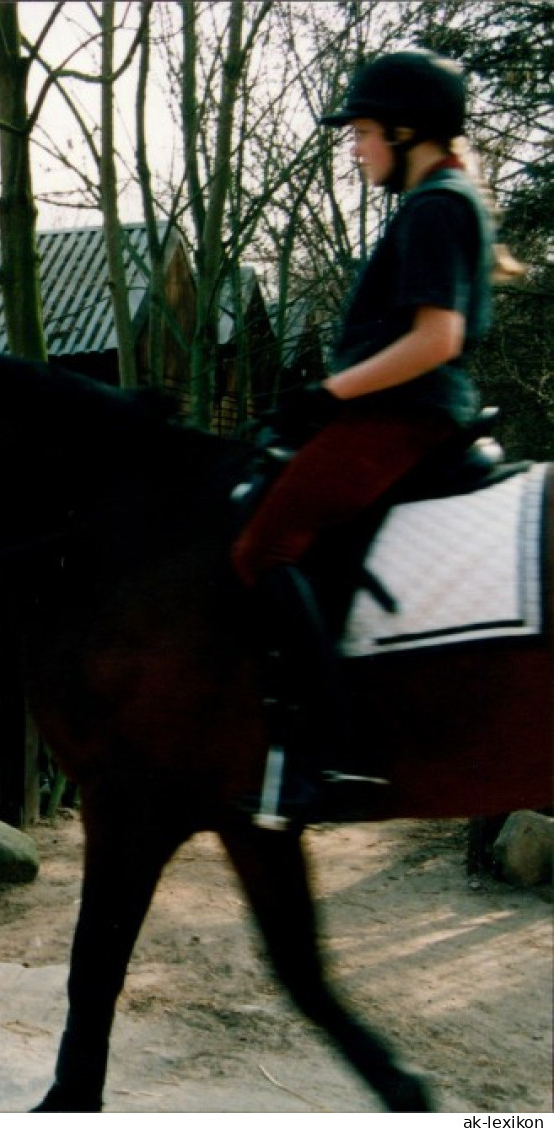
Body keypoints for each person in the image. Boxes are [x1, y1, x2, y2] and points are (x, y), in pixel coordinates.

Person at [232, 49, 520, 829]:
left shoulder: (434, 205)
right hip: (394, 412)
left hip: (402, 416)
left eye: (361, 132)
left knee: (263, 549)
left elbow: (435, 337)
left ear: (403, 129)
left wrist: (326, 395)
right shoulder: (441, 200)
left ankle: (330, 747)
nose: (355, 148)